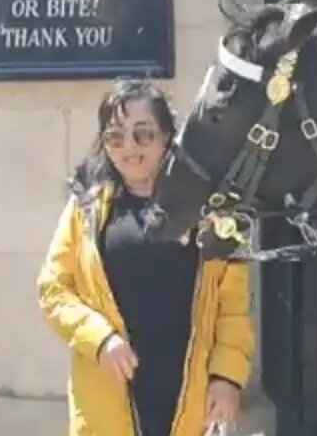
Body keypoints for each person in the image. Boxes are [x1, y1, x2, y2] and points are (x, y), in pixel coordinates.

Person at [37, 78, 256, 436]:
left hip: (188, 400)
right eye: (115, 137)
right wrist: (100, 338)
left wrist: (227, 378)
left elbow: (232, 307)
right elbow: (53, 290)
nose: (129, 149)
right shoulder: (87, 208)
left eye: (144, 135)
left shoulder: (211, 212)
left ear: (168, 137)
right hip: (108, 397)